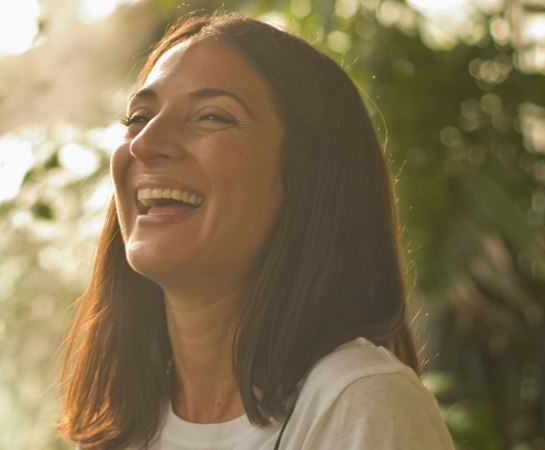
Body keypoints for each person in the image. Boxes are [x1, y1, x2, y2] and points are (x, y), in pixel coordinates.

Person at [58, 12, 454, 449]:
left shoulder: (359, 403)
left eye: (211, 117)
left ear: (307, 176)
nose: (144, 143)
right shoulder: (120, 431)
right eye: (138, 117)